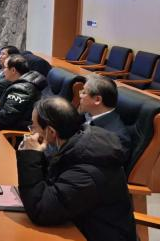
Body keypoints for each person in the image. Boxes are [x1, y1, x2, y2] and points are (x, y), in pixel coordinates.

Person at [18, 97, 136, 241]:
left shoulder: (86, 173)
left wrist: (30, 155)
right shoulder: (74, 145)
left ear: (51, 132)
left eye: (34, 127)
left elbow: (40, 210)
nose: (31, 132)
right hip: (77, 226)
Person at [78, 74, 132, 157]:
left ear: (97, 100)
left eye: (84, 92)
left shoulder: (117, 140)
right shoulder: (84, 115)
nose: (80, 95)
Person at [0, 54, 47, 131]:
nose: (3, 70)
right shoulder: (21, 82)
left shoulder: (21, 90)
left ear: (13, 70)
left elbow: (6, 118)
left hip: (10, 132)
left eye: (4, 67)